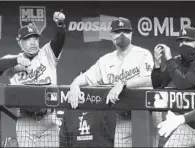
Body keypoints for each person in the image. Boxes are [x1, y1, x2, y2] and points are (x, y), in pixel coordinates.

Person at [64, 17, 154, 147]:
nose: (122, 35)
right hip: (122, 118)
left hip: (144, 116)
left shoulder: (143, 54)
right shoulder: (105, 61)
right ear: (111, 35)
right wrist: (74, 85)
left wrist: (123, 83)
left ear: (131, 34)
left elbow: (149, 80)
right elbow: (86, 77)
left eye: (126, 31)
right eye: (118, 32)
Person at [0, 11, 66, 147]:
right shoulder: (13, 60)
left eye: (35, 38)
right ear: (20, 42)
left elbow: (59, 40)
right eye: (28, 39)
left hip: (49, 119)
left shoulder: (47, 53)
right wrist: (16, 61)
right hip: (26, 121)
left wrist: (60, 24)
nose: (33, 42)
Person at [151, 26, 195, 147]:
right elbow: (158, 85)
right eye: (181, 41)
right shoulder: (177, 61)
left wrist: (170, 59)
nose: (183, 44)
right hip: (187, 125)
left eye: (187, 41)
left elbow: (183, 83)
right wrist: (157, 64)